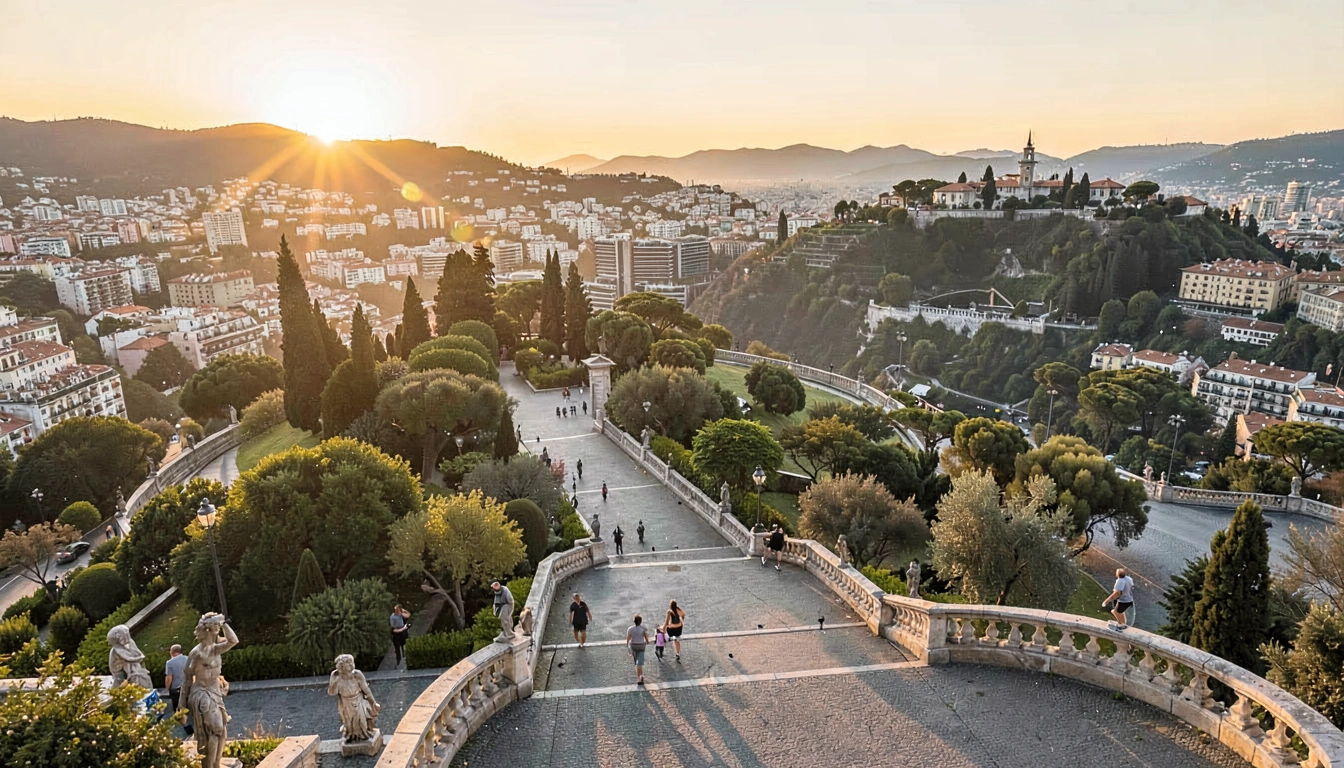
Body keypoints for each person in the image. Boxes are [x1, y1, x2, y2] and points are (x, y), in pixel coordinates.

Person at [164, 644, 190, 730]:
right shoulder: (188, 659)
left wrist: (167, 687)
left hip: (176, 689)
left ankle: (184, 727)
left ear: (172, 652)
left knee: (179, 709)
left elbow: (169, 677)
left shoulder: (170, 663)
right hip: (189, 687)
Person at [626, 614, 650, 685]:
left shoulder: (630, 629)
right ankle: (640, 677)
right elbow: (645, 635)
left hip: (633, 645)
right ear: (640, 621)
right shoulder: (643, 628)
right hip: (641, 645)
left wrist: (627, 644)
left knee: (636, 661)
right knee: (639, 662)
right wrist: (647, 641)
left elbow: (628, 637)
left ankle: (639, 677)